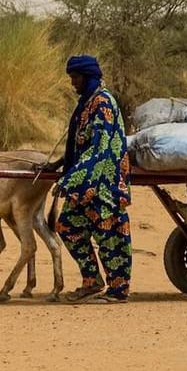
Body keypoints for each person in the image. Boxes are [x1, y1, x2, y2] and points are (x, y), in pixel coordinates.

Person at [54, 54, 131, 303]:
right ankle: (91, 281)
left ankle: (118, 290)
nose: (72, 83)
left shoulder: (103, 103)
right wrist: (62, 166)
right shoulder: (87, 103)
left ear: (87, 77)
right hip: (86, 182)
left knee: (109, 235)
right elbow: (80, 145)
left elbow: (100, 148)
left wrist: (69, 179)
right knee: (67, 225)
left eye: (75, 78)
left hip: (105, 182)